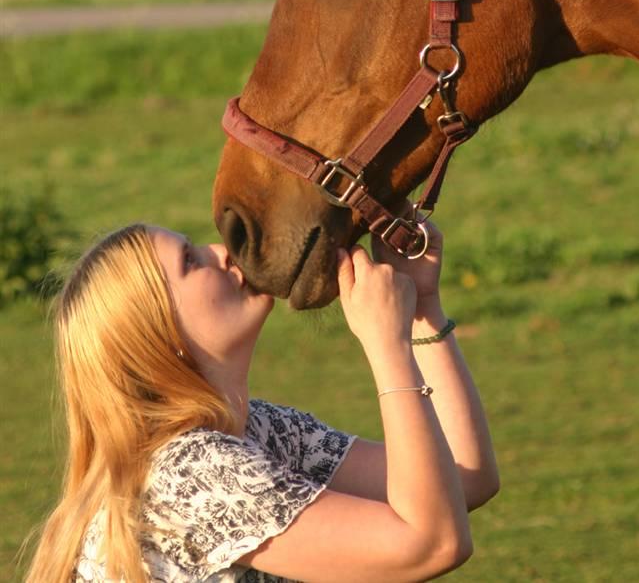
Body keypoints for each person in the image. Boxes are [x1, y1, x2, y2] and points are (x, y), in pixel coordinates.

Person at [26, 218, 499, 583]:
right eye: (191, 262)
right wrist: (386, 347)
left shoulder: (259, 429)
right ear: (158, 335)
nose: (220, 251)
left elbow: (463, 479)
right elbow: (431, 545)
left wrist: (421, 309)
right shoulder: (189, 473)